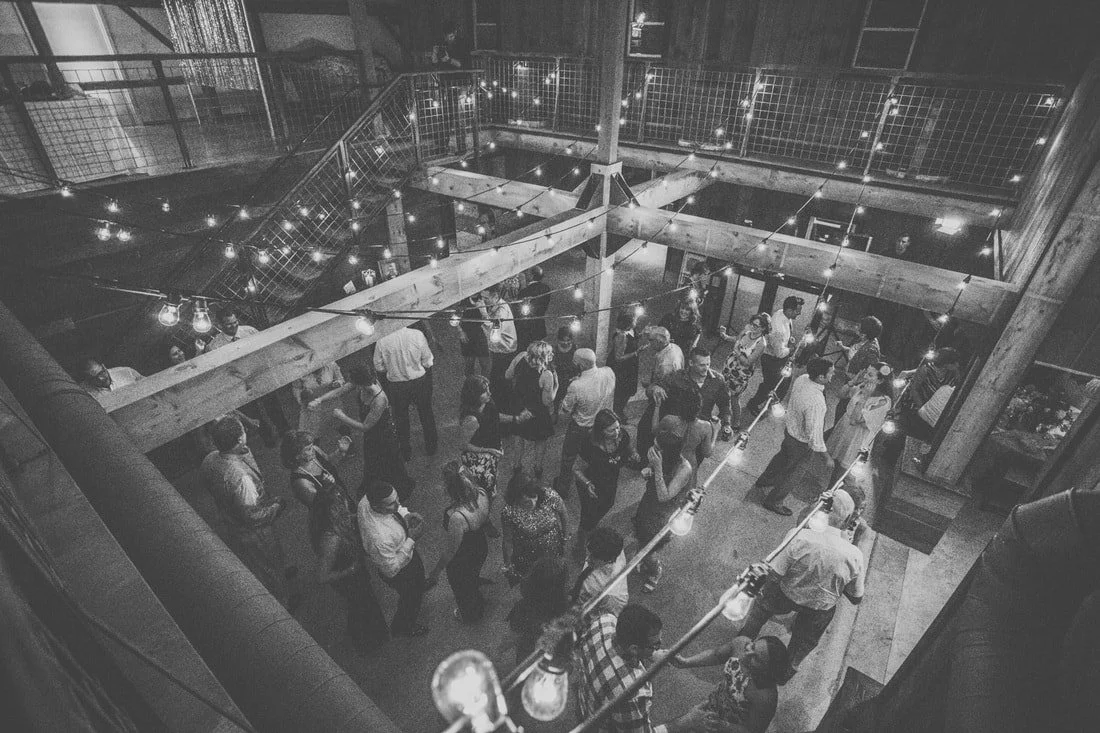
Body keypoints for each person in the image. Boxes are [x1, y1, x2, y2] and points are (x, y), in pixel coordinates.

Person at [736, 489, 865, 680]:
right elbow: (856, 597)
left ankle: (743, 642)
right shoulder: (855, 555)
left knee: (762, 606)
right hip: (821, 606)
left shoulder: (799, 536)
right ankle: (787, 671)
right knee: (804, 642)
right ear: (847, 522)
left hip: (785, 593)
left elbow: (775, 574)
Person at [576, 603, 727, 733]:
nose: (659, 647)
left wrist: (650, 653)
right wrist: (687, 721)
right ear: (634, 649)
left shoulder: (604, 622)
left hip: (587, 705)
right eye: (655, 645)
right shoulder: (632, 693)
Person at [200, 415, 298, 609]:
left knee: (272, 555)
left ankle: (284, 569)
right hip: (253, 530)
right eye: (243, 430)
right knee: (267, 565)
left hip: (231, 518)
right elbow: (252, 516)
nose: (246, 431)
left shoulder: (210, 458)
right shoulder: (241, 478)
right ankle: (284, 601)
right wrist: (276, 507)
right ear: (239, 440)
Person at [307, 453, 388, 653]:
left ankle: (374, 635)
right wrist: (351, 569)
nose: (346, 504)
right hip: (349, 577)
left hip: (354, 569)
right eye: (342, 502)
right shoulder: (331, 538)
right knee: (359, 607)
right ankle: (367, 642)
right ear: (333, 509)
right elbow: (322, 576)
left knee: (365, 603)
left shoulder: (331, 521)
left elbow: (350, 518)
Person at [314, 364, 414, 502]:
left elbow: (365, 426)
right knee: (373, 461)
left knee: (387, 462)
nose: (352, 385)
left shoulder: (379, 399)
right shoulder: (362, 384)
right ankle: (378, 487)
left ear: (360, 383)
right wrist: (320, 399)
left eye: (354, 383)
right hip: (372, 435)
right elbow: (340, 391)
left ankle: (392, 490)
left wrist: (342, 416)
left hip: (383, 435)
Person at [755, 357, 834, 516]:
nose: (833, 375)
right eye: (831, 372)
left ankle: (765, 480)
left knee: (781, 457)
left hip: (789, 431)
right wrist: (826, 457)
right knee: (793, 473)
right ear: (821, 377)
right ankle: (774, 501)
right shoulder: (817, 402)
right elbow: (815, 434)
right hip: (801, 442)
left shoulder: (803, 379)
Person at [671, 636, 791, 733]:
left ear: (766, 671)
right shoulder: (740, 643)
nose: (747, 653)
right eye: (753, 646)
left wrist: (721, 725)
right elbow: (716, 655)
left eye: (756, 658)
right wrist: (686, 662)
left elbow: (752, 730)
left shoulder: (766, 697)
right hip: (712, 707)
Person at [206, 307, 288, 444]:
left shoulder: (249, 331)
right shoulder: (214, 346)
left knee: (273, 405)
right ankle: (267, 437)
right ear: (219, 326)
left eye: (235, 321)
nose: (234, 325)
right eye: (229, 324)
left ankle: (284, 430)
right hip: (239, 383)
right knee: (253, 412)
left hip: (259, 374)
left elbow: (264, 349)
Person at [358, 482, 429, 637]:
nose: (398, 505)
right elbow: (391, 569)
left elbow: (397, 508)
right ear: (376, 507)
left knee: (418, 579)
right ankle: (404, 626)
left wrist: (406, 514)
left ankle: (420, 584)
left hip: (406, 553)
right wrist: (411, 539)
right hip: (401, 572)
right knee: (410, 598)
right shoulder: (378, 538)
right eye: (391, 504)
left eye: (397, 499)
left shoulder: (368, 499)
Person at [426, 462, 491, 623]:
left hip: (464, 557)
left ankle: (470, 615)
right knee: (473, 576)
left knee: (462, 587)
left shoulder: (456, 517)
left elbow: (451, 551)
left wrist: (436, 571)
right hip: (480, 546)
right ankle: (476, 594)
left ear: (450, 489)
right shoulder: (482, 494)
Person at [573, 409, 644, 554]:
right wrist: (587, 484)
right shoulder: (589, 445)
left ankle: (592, 527)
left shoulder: (622, 436)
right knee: (587, 518)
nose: (617, 432)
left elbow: (629, 448)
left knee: (607, 504)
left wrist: (634, 454)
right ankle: (580, 546)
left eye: (617, 427)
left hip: (610, 481)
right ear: (601, 431)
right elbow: (576, 468)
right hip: (591, 484)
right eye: (611, 430)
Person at [633, 430, 694, 593]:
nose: (652, 450)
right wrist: (648, 470)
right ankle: (643, 555)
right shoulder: (658, 458)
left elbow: (664, 496)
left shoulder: (683, 469)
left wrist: (657, 468)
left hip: (664, 515)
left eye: (656, 448)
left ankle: (655, 571)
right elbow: (651, 471)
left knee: (650, 551)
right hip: (648, 505)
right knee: (640, 538)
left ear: (667, 452)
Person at [460, 374, 530, 512]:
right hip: (479, 458)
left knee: (491, 487)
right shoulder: (471, 419)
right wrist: (489, 451)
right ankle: (483, 517)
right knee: (484, 492)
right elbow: (463, 445)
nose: (489, 393)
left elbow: (495, 416)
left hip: (491, 452)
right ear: (474, 395)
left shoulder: (487, 404)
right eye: (485, 392)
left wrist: (515, 419)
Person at [553, 348, 616, 497]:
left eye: (575, 361)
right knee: (595, 455)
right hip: (601, 424)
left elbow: (566, 409)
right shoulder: (608, 372)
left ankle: (563, 488)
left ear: (580, 366)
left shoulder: (576, 386)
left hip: (580, 427)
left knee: (568, 457)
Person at [373, 325, 439, 460]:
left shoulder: (382, 340)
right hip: (419, 381)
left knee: (401, 418)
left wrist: (392, 369)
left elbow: (378, 366)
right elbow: (428, 360)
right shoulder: (417, 334)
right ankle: (431, 446)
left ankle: (405, 451)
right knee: (426, 413)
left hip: (397, 385)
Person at [826, 363, 893, 488]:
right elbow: (840, 395)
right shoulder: (862, 387)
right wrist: (853, 382)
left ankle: (834, 496)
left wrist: (865, 398)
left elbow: (854, 420)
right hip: (845, 429)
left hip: (857, 437)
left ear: (880, 380)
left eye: (870, 375)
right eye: (866, 373)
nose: (866, 377)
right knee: (836, 465)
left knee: (844, 470)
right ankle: (829, 489)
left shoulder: (882, 402)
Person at [501, 468, 567, 584]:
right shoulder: (509, 512)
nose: (533, 503)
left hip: (553, 547)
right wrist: (508, 563)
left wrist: (565, 535)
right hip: (527, 553)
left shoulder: (549, 496)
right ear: (516, 498)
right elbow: (507, 540)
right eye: (526, 501)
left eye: (534, 497)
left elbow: (563, 513)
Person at [656, 347, 733, 443]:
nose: (706, 369)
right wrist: (655, 388)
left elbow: (725, 404)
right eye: (702, 365)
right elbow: (655, 387)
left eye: (708, 364)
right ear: (691, 363)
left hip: (700, 434)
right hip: (676, 432)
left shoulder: (718, 380)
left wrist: (727, 424)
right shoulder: (678, 376)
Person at [506, 341, 558, 478]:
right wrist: (556, 386)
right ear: (544, 357)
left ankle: (517, 465)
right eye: (550, 353)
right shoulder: (546, 374)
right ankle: (538, 467)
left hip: (519, 406)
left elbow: (508, 375)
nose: (552, 354)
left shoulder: (520, 356)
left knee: (519, 437)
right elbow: (546, 401)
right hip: (536, 411)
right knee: (540, 440)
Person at [745, 296, 804, 418]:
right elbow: (779, 353)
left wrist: (789, 340)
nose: (799, 313)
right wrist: (794, 347)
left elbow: (783, 340)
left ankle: (771, 404)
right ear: (788, 310)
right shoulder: (778, 329)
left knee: (780, 383)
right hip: (773, 360)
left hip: (778, 357)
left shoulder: (782, 313)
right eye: (797, 311)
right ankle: (754, 404)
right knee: (771, 385)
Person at [507, 556, 571, 662]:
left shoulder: (523, 607)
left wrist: (499, 651)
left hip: (530, 656)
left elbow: (514, 634)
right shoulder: (566, 606)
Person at [636, 327, 685, 456]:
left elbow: (661, 390)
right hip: (670, 395)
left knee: (645, 428)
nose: (648, 342)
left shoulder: (666, 364)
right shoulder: (674, 347)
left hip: (664, 401)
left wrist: (650, 387)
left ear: (659, 342)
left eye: (651, 340)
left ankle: (643, 457)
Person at [719, 313, 771, 430]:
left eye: (757, 326)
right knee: (723, 392)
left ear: (763, 328)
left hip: (741, 374)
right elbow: (737, 339)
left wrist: (737, 351)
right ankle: (724, 414)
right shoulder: (747, 331)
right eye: (753, 324)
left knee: (734, 398)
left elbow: (748, 362)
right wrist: (725, 336)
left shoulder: (761, 343)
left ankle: (736, 422)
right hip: (729, 367)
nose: (753, 327)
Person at [280, 429, 354, 509]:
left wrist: (340, 451)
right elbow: (319, 505)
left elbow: (328, 461)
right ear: (297, 456)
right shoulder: (300, 482)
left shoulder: (314, 450)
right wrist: (328, 487)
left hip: (342, 494)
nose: (313, 449)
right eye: (308, 449)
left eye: (312, 446)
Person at [834, 316, 883, 422]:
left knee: (842, 411)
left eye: (859, 327)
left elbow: (870, 373)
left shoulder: (872, 351)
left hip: (856, 385)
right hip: (850, 379)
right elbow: (857, 353)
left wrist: (854, 383)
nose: (857, 328)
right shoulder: (864, 340)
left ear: (864, 333)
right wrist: (844, 348)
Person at [571, 527, 629, 615]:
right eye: (589, 553)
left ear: (608, 559)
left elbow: (608, 615)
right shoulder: (613, 549)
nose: (587, 559)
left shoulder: (612, 593)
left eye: (593, 557)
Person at [480, 284, 518, 411]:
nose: (483, 300)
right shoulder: (496, 305)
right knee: (499, 379)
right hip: (500, 349)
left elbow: (494, 334)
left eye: (485, 297)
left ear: (495, 296)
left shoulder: (501, 311)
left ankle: (504, 408)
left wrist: (484, 315)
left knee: (500, 381)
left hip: (504, 350)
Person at [292, 362, 344, 435]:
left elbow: (340, 379)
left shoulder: (331, 364)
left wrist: (338, 383)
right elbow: (296, 388)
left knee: (341, 426)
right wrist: (301, 399)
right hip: (312, 405)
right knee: (311, 433)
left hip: (330, 401)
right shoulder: (300, 370)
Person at [608, 311, 643, 419]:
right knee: (622, 391)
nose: (636, 321)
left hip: (630, 365)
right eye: (634, 320)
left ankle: (619, 410)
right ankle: (617, 412)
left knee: (628, 390)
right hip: (622, 368)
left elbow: (633, 339)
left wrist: (642, 334)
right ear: (628, 324)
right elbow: (618, 358)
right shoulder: (621, 336)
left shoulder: (630, 330)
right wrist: (636, 353)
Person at [76, 356, 143, 404]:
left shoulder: (127, 372)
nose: (100, 379)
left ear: (104, 367)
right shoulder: (83, 393)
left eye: (101, 373)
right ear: (87, 380)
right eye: (94, 378)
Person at [516, 266, 552, 349]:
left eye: (527, 273)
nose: (526, 275)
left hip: (526, 328)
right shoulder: (546, 288)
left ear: (531, 276)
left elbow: (518, 310)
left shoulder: (525, 292)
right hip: (540, 324)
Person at [793, 303, 838, 368]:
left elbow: (827, 324)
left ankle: (803, 362)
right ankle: (801, 361)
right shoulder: (820, 312)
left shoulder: (829, 316)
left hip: (821, 331)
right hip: (816, 329)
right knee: (808, 346)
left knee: (812, 347)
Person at [458, 295, 492, 377]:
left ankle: (484, 383)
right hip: (467, 333)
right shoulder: (464, 302)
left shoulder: (484, 302)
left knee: (485, 363)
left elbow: (488, 322)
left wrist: (482, 310)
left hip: (479, 333)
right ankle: (470, 384)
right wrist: (461, 332)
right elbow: (455, 318)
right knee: (469, 363)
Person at [552, 326, 581, 417]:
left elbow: (578, 363)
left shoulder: (575, 348)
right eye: (563, 340)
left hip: (571, 375)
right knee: (557, 396)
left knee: (572, 396)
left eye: (568, 340)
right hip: (559, 376)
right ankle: (555, 413)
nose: (565, 343)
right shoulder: (555, 349)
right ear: (558, 339)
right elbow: (552, 364)